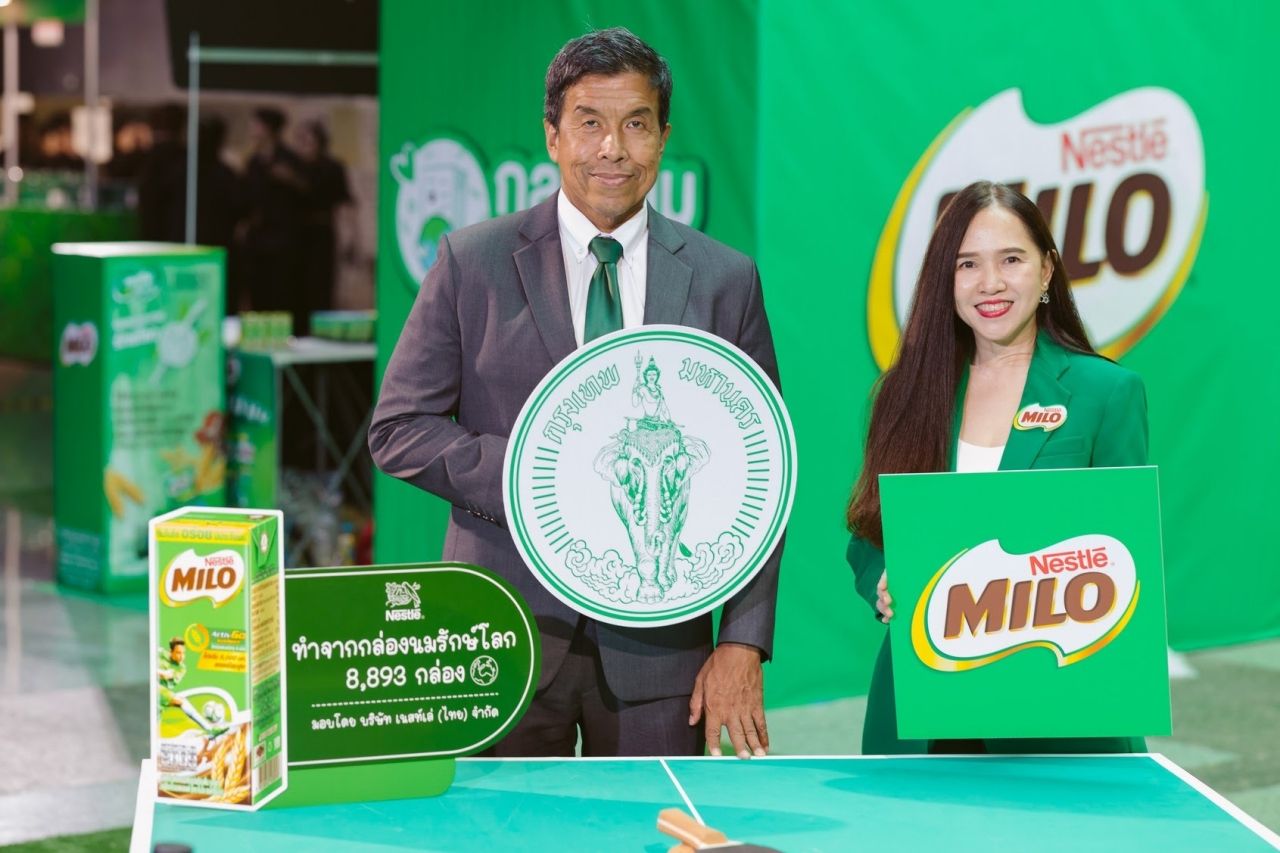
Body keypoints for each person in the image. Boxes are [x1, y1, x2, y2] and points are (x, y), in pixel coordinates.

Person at [370, 27, 782, 759]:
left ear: (664, 138)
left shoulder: (725, 279)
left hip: (661, 648)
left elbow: (763, 469)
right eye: (589, 123)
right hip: (503, 630)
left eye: (636, 124)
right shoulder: (473, 261)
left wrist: (742, 641)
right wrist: (537, 477)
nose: (612, 149)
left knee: (654, 818)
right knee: (501, 822)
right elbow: (399, 427)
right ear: (553, 136)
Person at [845, 180, 1148, 755]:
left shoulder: (1107, 392)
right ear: (945, 279)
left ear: (1047, 270)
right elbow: (869, 532)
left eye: (1011, 260)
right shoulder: (905, 393)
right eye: (967, 264)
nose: (990, 283)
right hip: (929, 703)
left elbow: (1125, 550)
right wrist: (883, 581)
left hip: (1059, 706)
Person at [240, 107, 306, 330]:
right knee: (259, 291)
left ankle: (283, 335)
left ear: (268, 129)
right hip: (258, 239)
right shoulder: (254, 162)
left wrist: (291, 180)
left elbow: (309, 195)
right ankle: (260, 334)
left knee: (282, 291)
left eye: (256, 125)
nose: (252, 130)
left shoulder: (290, 160)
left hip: (283, 239)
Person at [295, 119, 355, 315]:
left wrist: (351, 237)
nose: (304, 146)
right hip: (296, 234)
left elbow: (345, 204)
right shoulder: (295, 166)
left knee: (321, 282)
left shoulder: (331, 168)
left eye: (308, 141)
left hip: (321, 232)